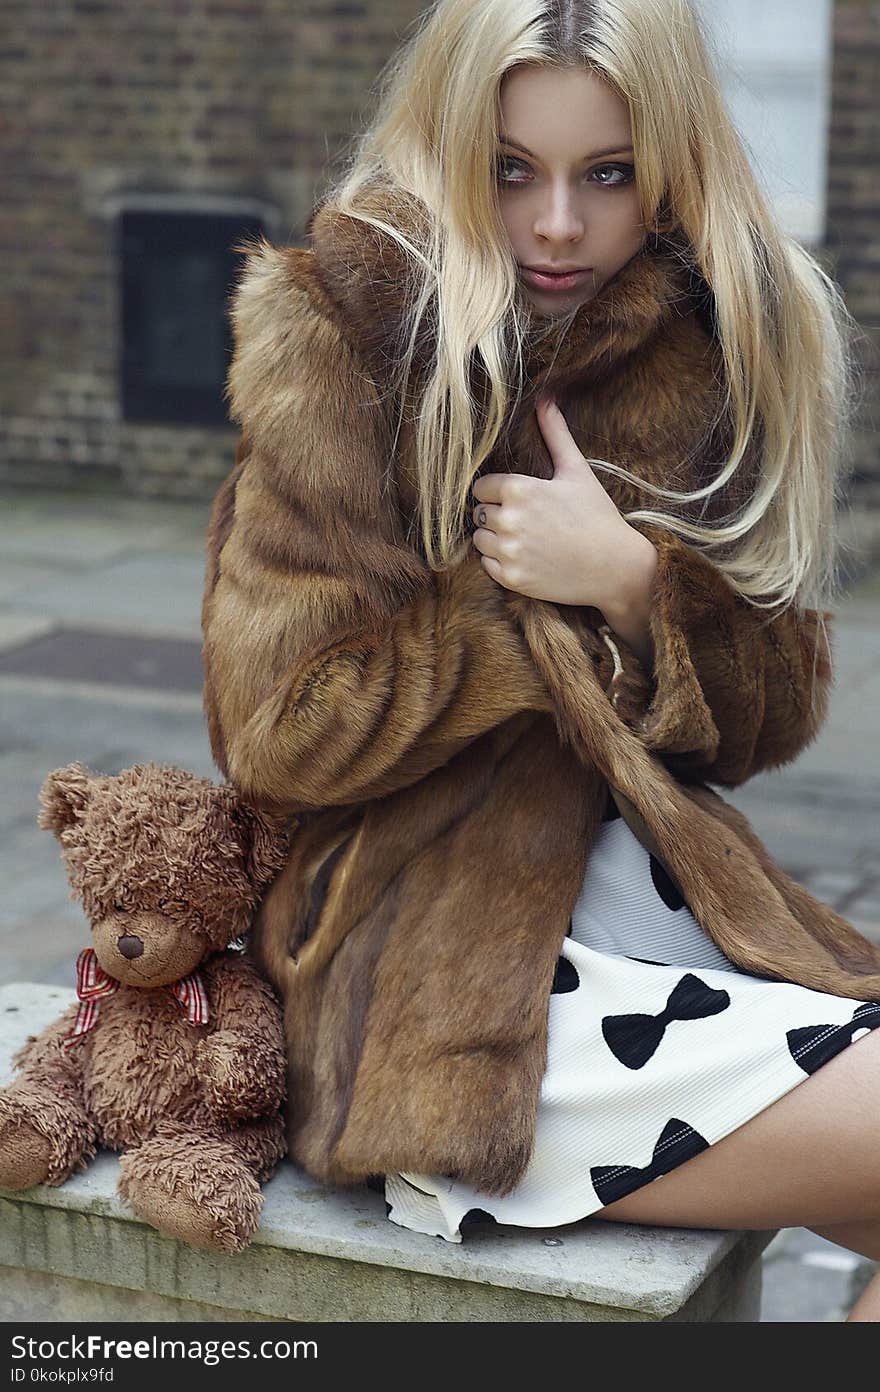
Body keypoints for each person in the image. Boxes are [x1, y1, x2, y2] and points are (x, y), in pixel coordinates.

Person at [201, 0, 880, 1321]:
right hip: (432, 980)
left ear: (670, 164)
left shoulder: (714, 328)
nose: (558, 225)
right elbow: (281, 721)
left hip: (668, 918)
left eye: (607, 174)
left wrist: (633, 586)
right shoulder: (349, 328)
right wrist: (527, 614)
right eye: (512, 170)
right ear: (452, 146)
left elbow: (773, 711)